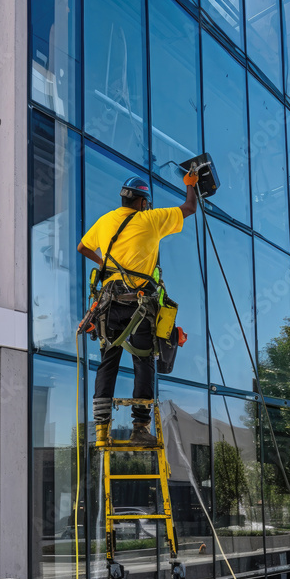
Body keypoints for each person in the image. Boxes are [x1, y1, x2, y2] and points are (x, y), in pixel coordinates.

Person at [78, 173, 198, 443]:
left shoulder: (105, 220)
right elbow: (189, 208)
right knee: (143, 361)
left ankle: (101, 430)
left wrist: (105, 264)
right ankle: (140, 429)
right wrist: (190, 184)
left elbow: (82, 247)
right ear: (143, 202)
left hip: (109, 303)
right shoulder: (151, 220)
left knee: (108, 361)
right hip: (140, 302)